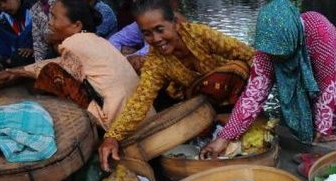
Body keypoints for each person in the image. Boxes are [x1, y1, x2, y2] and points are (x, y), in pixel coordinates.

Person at [98, 0, 254, 170]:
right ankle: (214, 124)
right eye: (147, 34)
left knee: (238, 68)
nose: (156, 39)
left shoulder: (200, 34)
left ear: (176, 24)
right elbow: (139, 102)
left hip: (230, 90)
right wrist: (112, 137)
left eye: (160, 29)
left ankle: (238, 117)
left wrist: (257, 93)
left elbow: (246, 53)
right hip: (199, 102)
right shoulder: (155, 61)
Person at [199, 0, 336, 159]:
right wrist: (223, 137)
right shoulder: (266, 52)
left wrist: (324, 125)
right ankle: (318, 147)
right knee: (311, 122)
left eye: (285, 55)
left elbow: (325, 85)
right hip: (308, 72)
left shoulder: (318, 27)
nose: (281, 61)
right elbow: (252, 96)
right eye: (277, 57)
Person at [0, 0, 142, 131]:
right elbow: (58, 62)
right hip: (140, 113)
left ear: (77, 25)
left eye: (54, 17)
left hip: (119, 125)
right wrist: (10, 73)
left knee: (54, 75)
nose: (49, 23)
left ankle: (89, 129)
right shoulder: (95, 40)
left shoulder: (73, 44)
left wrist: (9, 73)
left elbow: (54, 67)